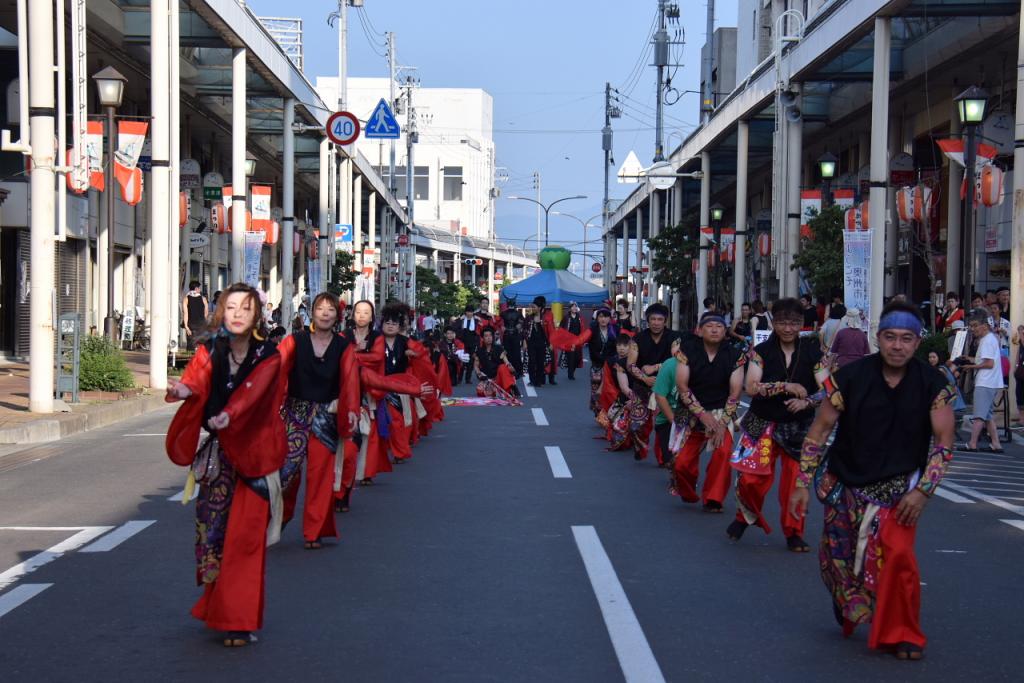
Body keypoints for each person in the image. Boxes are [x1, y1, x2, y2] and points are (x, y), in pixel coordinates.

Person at [790, 301, 955, 660]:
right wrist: (802, 483)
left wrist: (924, 492)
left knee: (899, 558)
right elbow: (819, 431)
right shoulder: (849, 378)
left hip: (899, 489)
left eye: (906, 339)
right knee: (838, 558)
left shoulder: (933, 384)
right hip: (844, 482)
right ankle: (846, 596)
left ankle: (904, 632)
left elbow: (943, 443)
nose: (898, 345)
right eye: (890, 337)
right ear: (878, 338)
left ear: (917, 342)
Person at [164, 282, 287, 647]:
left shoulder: (269, 355)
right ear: (220, 312)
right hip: (219, 458)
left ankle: (239, 619)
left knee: (245, 541)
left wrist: (228, 415)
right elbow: (196, 380)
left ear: (257, 315)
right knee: (213, 538)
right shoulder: (210, 350)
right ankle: (218, 605)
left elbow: (253, 393)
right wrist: (184, 391)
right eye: (230, 307)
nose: (237, 314)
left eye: (245, 309)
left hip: (256, 456)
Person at [729, 297, 825, 552]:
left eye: (794, 323)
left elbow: (828, 388)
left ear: (802, 324)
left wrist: (808, 403)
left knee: (795, 484)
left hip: (799, 426)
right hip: (762, 422)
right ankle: (744, 517)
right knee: (750, 480)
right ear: (774, 323)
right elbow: (751, 387)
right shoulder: (760, 352)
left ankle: (794, 532)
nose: (788, 328)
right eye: (782, 322)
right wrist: (786, 387)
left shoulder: (813, 352)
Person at [276, 292, 358, 550]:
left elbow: (350, 380)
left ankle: (314, 531)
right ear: (311, 312)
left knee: (320, 477)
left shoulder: (344, 346)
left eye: (330, 309)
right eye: (320, 308)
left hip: (326, 417)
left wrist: (352, 409)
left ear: (337, 315)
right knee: (286, 475)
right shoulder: (294, 341)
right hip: (294, 415)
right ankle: (280, 516)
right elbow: (273, 368)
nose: (324, 313)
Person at [665, 313, 745, 512]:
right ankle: (688, 491)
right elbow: (682, 386)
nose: (715, 329)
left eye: (719, 326)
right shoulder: (687, 351)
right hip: (691, 411)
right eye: (709, 326)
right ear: (700, 330)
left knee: (723, 452)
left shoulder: (735, 355)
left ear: (725, 331)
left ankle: (713, 499)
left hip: (721, 413)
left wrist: (720, 423)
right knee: (681, 463)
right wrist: (702, 414)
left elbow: (735, 392)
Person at [626, 303, 679, 463]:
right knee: (636, 426)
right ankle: (640, 447)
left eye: (660, 319)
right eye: (653, 319)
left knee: (664, 426)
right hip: (642, 387)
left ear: (665, 321)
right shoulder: (638, 339)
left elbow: (678, 359)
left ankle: (665, 458)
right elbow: (630, 365)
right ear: (647, 321)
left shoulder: (674, 338)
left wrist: (656, 367)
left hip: (665, 390)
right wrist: (644, 378)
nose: (656, 322)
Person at [960, 308, 1004, 453]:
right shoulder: (988, 339)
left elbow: (989, 364)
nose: (972, 329)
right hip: (990, 382)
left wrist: (971, 366)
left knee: (979, 415)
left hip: (985, 382)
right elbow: (985, 360)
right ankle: (996, 443)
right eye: (971, 326)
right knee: (987, 415)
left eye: (974, 326)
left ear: (984, 326)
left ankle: (972, 443)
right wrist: (970, 360)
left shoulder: (987, 341)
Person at [585, 308, 617, 415]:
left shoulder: (614, 330)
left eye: (606, 316)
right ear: (597, 318)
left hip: (610, 365)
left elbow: (616, 347)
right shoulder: (592, 330)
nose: (603, 319)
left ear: (609, 318)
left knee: (608, 389)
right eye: (601, 316)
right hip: (597, 365)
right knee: (596, 389)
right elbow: (591, 348)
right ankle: (598, 412)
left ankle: (608, 412)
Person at [474, 328, 519, 399]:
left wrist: (512, 369)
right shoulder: (479, 351)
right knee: (480, 391)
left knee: (502, 366)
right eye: (486, 336)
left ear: (493, 337)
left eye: (490, 336)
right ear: (482, 338)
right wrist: (479, 374)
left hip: (499, 378)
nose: (489, 338)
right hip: (487, 379)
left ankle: (512, 387)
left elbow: (506, 362)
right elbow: (476, 366)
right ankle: (501, 391)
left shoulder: (499, 348)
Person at [454, 305, 483, 385]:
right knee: (462, 361)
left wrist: (477, 344)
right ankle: (459, 379)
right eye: (468, 312)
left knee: (470, 362)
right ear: (465, 312)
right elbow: (454, 327)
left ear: (473, 312)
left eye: (471, 312)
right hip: (463, 343)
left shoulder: (476, 321)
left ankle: (468, 379)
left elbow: (479, 333)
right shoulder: (461, 320)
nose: (469, 313)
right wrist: (460, 319)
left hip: (472, 343)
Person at [525, 297, 550, 387]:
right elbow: (524, 330)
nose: (533, 308)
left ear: (539, 308)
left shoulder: (545, 318)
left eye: (534, 307)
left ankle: (539, 381)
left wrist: (550, 343)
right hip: (531, 342)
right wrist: (524, 341)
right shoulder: (529, 317)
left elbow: (549, 331)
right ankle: (532, 380)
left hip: (542, 343)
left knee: (540, 362)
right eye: (532, 306)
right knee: (532, 361)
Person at [499, 300, 525, 378]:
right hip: (507, 335)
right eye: (510, 304)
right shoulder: (503, 313)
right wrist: (501, 326)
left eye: (512, 304)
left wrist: (520, 324)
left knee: (516, 353)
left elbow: (522, 321)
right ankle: (507, 371)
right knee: (507, 353)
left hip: (515, 335)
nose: (511, 305)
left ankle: (518, 371)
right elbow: (499, 321)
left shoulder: (518, 313)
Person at [181, 281, 209, 351]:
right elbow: (206, 313)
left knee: (191, 347)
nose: (200, 290)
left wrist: (186, 327)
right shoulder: (203, 299)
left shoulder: (186, 299)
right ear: (196, 289)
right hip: (201, 326)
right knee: (201, 347)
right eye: (199, 288)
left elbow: (185, 313)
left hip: (191, 326)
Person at [560, 302, 584, 380]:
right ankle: (570, 374)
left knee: (577, 358)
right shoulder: (566, 317)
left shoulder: (579, 317)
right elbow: (561, 327)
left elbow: (582, 328)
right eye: (573, 307)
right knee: (571, 357)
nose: (574, 308)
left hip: (577, 340)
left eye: (575, 307)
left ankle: (571, 371)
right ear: (570, 308)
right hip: (569, 340)